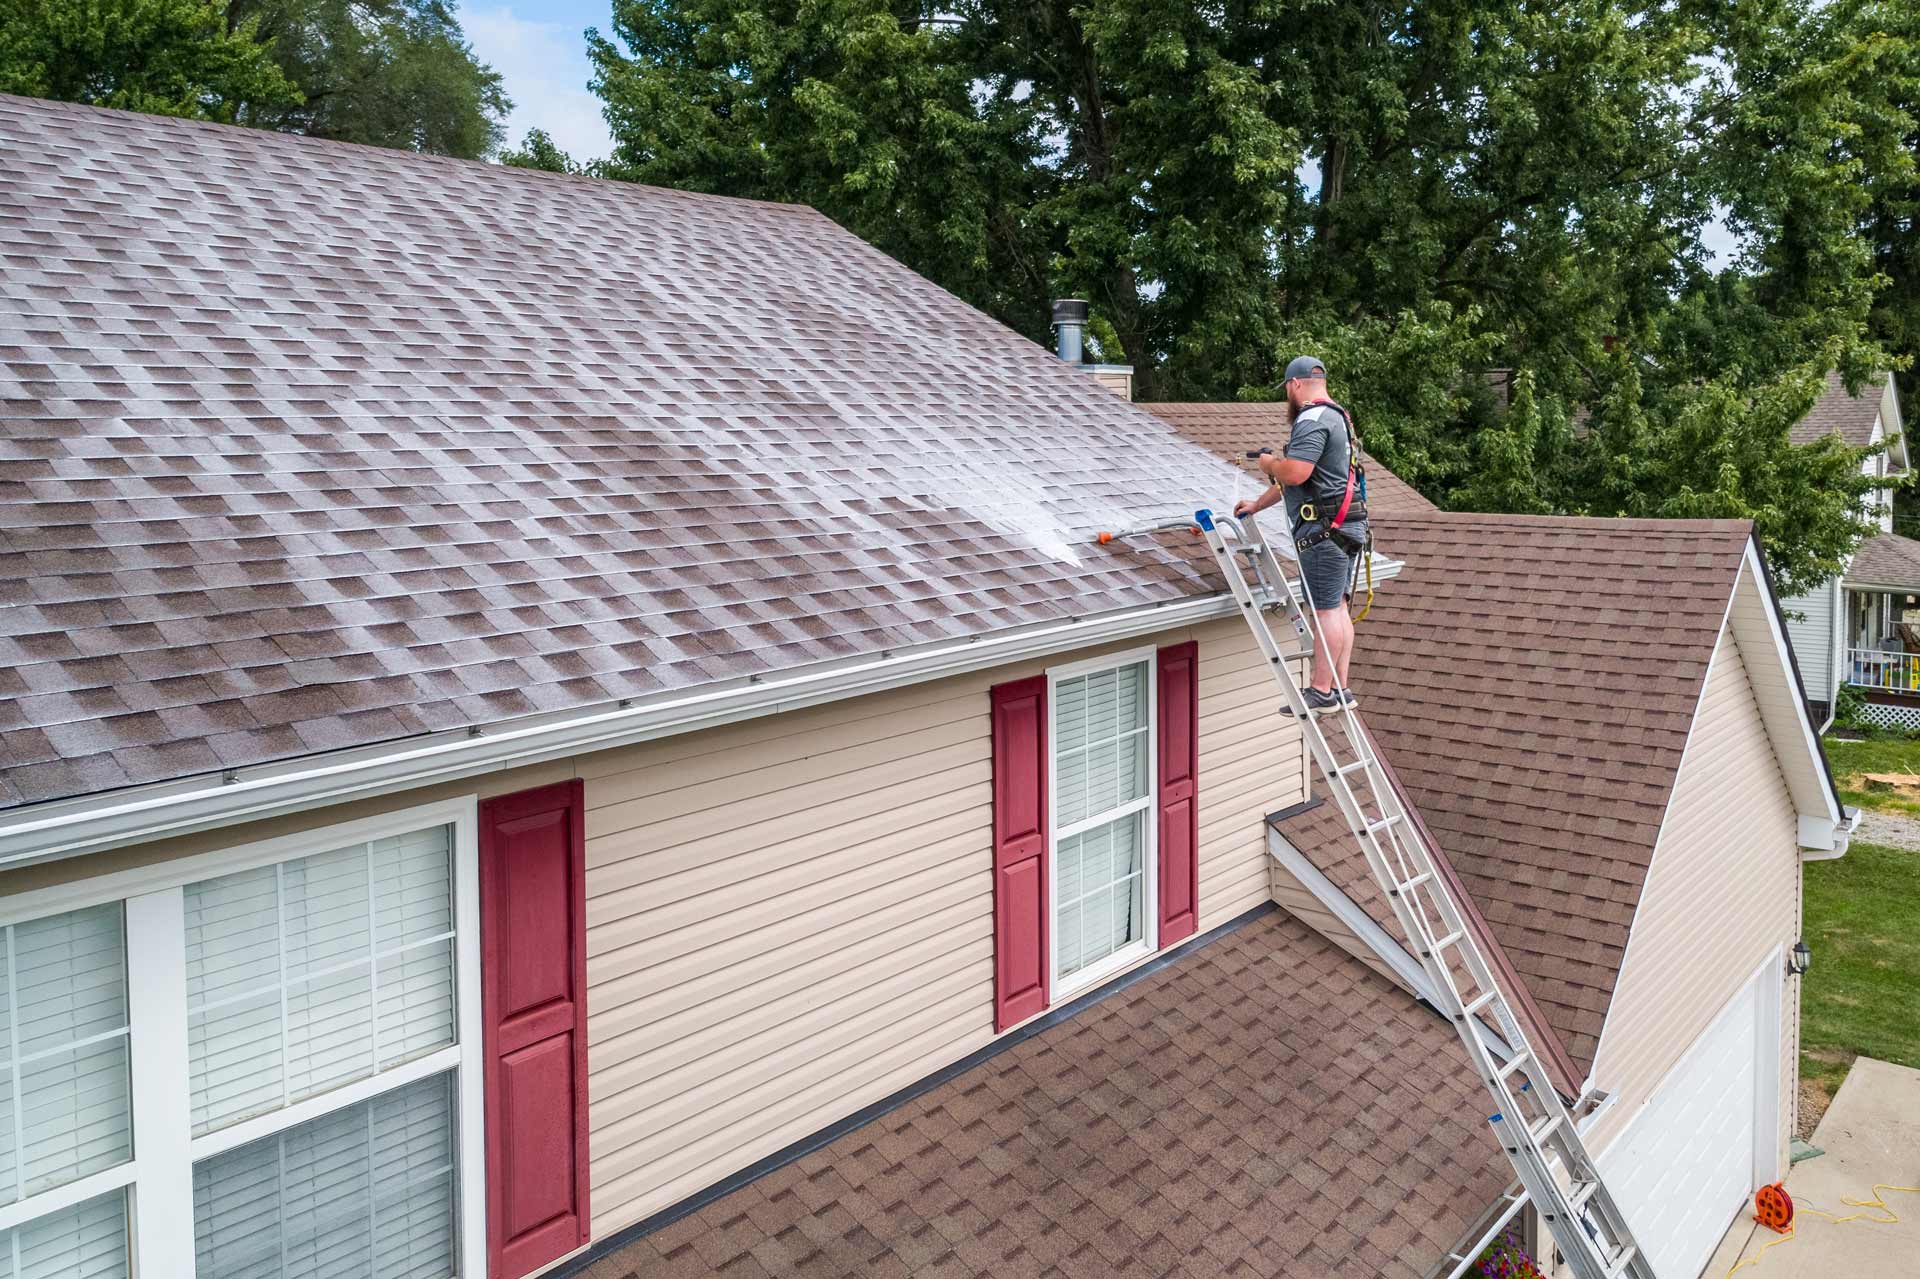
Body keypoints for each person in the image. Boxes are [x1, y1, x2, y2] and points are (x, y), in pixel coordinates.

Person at [1233, 355, 1367, 715]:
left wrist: (1269, 463)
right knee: (1338, 608)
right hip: (1346, 525)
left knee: (1325, 612)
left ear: (1294, 384)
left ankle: (1321, 690)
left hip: (1324, 531)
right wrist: (1257, 505)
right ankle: (1339, 688)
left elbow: (1294, 473)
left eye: (1286, 390)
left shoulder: (1311, 418)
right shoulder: (1340, 418)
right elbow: (1301, 482)